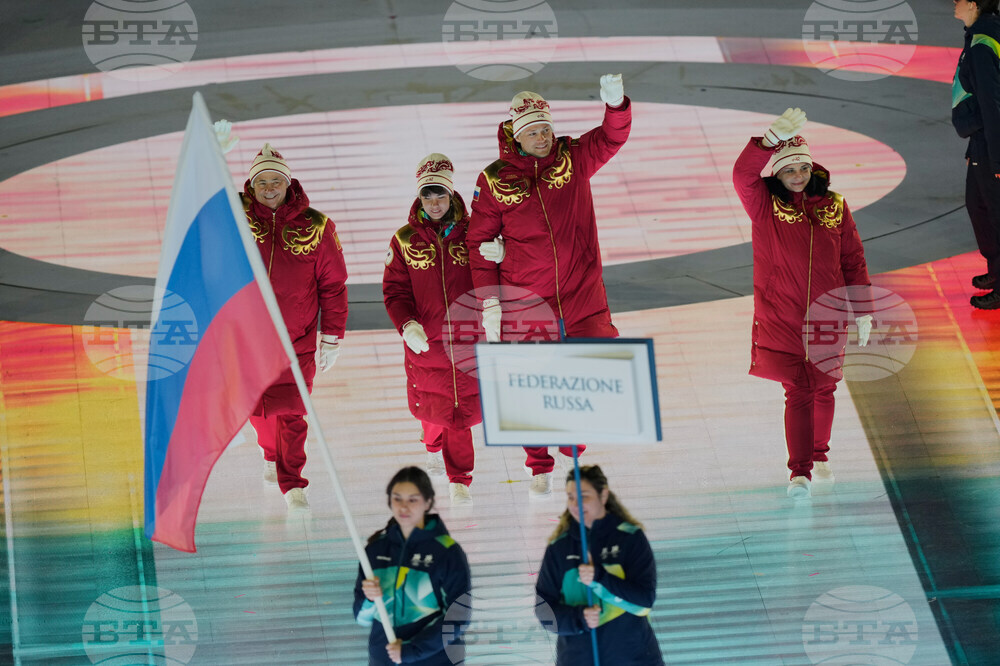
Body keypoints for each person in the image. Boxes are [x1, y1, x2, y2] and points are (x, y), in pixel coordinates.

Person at [467, 74, 631, 499]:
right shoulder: (494, 180)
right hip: (526, 300)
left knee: (586, 368)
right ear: (516, 137)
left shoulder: (572, 158)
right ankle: (537, 463)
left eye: (545, 129)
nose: (542, 137)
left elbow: (610, 140)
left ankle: (573, 444)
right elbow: (477, 243)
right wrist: (490, 303)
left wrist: (616, 107)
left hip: (582, 291)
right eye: (533, 132)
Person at [733, 108, 873, 499]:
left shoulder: (835, 205)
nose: (797, 175)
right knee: (797, 390)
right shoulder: (764, 205)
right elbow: (742, 175)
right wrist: (770, 139)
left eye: (803, 168)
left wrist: (862, 311)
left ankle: (820, 456)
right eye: (788, 169)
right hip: (782, 314)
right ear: (776, 173)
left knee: (825, 388)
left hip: (829, 314)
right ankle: (800, 473)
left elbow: (852, 260)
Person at [239, 143, 349, 512]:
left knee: (292, 411)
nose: (269, 188)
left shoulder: (317, 227)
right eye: (261, 182)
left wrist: (331, 335)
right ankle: (269, 451)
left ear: (289, 183)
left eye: (276, 181)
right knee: (256, 410)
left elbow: (332, 285)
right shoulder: (234, 218)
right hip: (247, 341)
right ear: (251, 187)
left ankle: (293, 482)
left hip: (296, 340)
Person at [382, 154, 482, 507]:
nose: (435, 203)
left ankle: (460, 479)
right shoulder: (404, 240)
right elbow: (395, 291)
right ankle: (432, 447)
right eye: (428, 196)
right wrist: (407, 325)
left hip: (470, 341)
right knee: (432, 410)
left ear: (452, 195)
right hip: (426, 343)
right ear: (420, 198)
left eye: (440, 195)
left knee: (461, 414)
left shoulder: (475, 233)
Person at [535, 465, 663, 666]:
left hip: (634, 659)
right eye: (570, 497)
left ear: (603, 496)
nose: (576, 504)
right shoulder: (559, 547)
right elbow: (544, 610)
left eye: (584, 496)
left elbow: (644, 601)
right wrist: (579, 618)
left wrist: (600, 578)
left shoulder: (630, 538)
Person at [354, 466, 472, 665]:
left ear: (427, 502)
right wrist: (369, 599)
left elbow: (458, 617)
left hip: (435, 659)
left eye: (412, 500)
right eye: (397, 498)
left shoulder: (448, 553)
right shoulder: (375, 550)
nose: (403, 507)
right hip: (384, 658)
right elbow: (362, 619)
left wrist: (412, 650)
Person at [953, 0, 1000, 309]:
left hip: (990, 145)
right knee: (978, 205)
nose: (953, 3)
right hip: (980, 143)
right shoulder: (979, 34)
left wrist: (997, 159)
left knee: (994, 214)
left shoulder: (982, 44)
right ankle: (996, 271)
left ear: (972, 4)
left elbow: (991, 104)